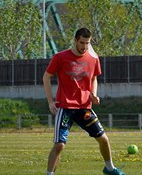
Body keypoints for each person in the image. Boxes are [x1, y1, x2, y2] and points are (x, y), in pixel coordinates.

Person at [43, 27, 125, 175]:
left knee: (104, 139)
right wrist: (50, 101)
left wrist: (94, 94)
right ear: (75, 40)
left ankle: (110, 168)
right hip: (66, 107)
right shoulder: (60, 57)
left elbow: (94, 78)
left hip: (84, 107)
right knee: (59, 145)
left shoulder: (93, 58)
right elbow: (46, 77)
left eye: (87, 43)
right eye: (82, 43)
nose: (84, 47)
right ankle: (49, 173)